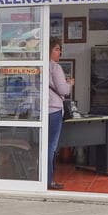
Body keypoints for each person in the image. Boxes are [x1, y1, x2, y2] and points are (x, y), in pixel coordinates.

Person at [47, 40, 74, 190]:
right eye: (57, 49)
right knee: (51, 147)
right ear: (49, 50)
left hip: (40, 110)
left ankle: (41, 179)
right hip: (54, 110)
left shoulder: (38, 66)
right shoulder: (55, 67)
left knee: (42, 146)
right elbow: (64, 91)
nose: (60, 52)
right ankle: (48, 180)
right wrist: (69, 84)